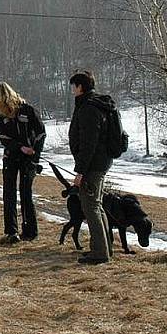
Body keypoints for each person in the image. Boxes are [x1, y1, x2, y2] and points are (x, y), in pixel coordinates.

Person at [0, 82, 47, 244]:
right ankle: (11, 232)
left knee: (26, 192)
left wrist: (34, 154)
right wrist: (20, 147)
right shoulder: (1, 116)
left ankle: (30, 231)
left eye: (0, 104)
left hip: (29, 159)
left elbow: (41, 133)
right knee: (9, 193)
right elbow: (4, 139)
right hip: (11, 157)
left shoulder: (28, 110)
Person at [68, 69, 114, 265]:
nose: (72, 91)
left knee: (90, 206)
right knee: (97, 205)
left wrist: (80, 172)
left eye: (73, 87)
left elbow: (89, 143)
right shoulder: (97, 104)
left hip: (93, 164)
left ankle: (100, 253)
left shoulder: (89, 108)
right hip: (100, 162)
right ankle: (104, 248)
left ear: (80, 87)